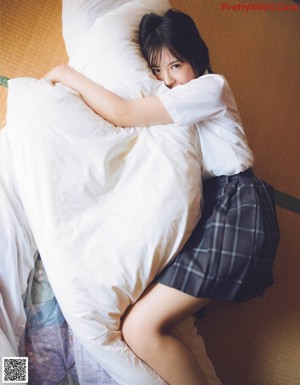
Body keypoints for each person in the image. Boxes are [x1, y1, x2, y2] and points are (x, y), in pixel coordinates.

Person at [44, 9, 279, 385]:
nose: (167, 81)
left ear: (196, 58)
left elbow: (124, 113)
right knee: (142, 324)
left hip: (238, 209)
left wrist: (64, 74)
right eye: (157, 71)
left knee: (139, 328)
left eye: (175, 65)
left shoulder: (210, 87)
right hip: (219, 213)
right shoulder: (184, 96)